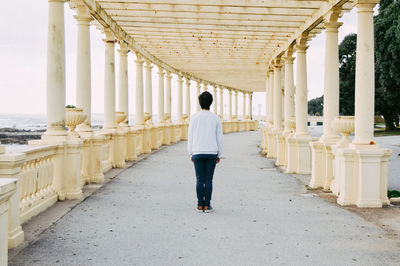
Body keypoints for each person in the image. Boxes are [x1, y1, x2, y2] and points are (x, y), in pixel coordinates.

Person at [188, 91, 223, 213]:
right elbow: (219, 138)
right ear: (211, 103)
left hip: (197, 151)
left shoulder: (194, 118)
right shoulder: (216, 118)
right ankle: (207, 205)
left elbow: (190, 137)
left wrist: (191, 153)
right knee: (208, 180)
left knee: (199, 179)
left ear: (200, 103)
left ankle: (199, 205)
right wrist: (219, 154)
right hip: (211, 152)